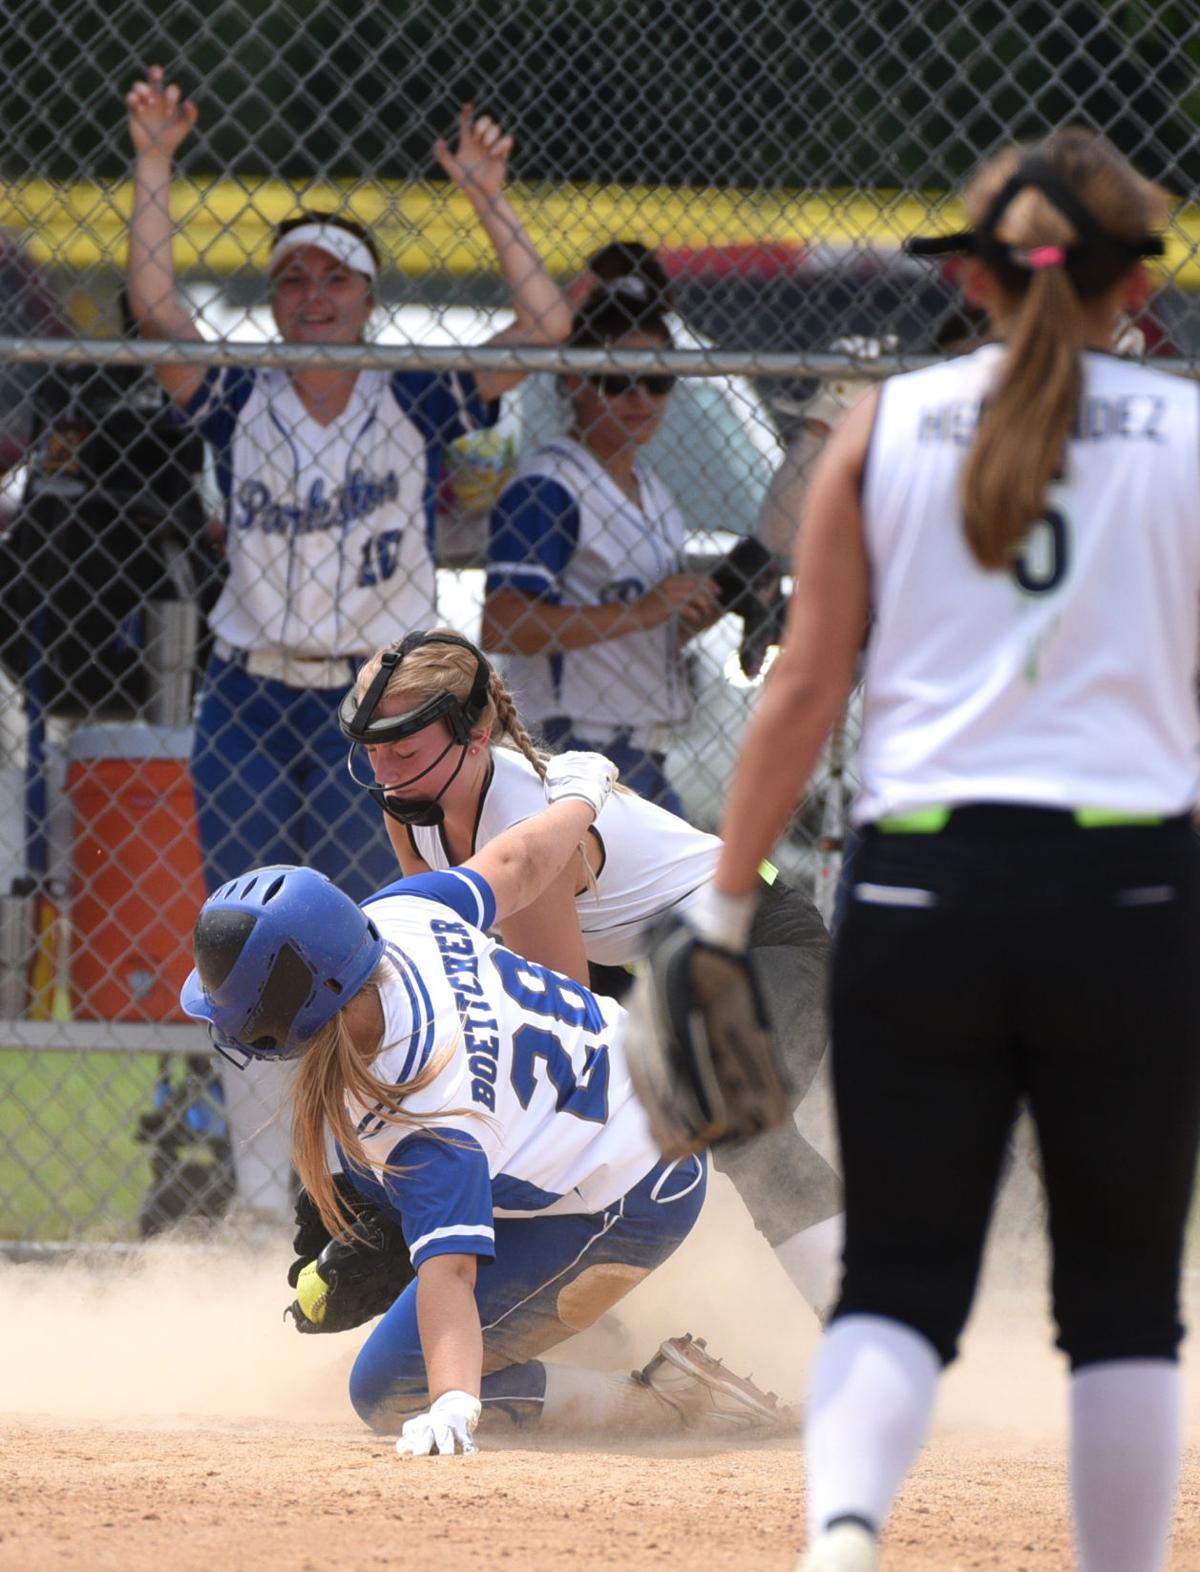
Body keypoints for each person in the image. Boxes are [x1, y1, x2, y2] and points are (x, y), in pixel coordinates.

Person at [660, 130, 1198, 1572]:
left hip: (918, 887)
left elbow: (801, 688)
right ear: (1122, 289)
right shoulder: (1186, 436)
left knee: (897, 1281)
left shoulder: (883, 433)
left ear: (969, 279)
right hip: (1126, 889)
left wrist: (720, 914)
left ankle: (841, 1540)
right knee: (1124, 1305)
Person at [125, 67, 572, 1223]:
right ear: (274, 299)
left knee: (363, 949)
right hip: (252, 698)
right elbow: (156, 309)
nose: (313, 294)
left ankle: (361, 1195)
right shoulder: (238, 392)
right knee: (244, 947)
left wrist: (487, 198)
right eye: (293, 277)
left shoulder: (415, 393)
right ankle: (270, 1211)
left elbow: (549, 326)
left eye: (335, 277)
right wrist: (157, 166)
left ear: (368, 296)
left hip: (376, 722)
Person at [180, 750, 794, 1450]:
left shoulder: (418, 1109)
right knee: (380, 1189)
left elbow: (452, 1272)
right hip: (622, 1087)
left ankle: (673, 1401)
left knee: (386, 1391)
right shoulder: (397, 918)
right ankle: (555, 1327)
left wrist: (448, 1403)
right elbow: (517, 866)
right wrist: (579, 796)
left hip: (641, 1185)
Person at [339, 627, 843, 1320]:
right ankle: (605, 1345)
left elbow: (563, 1013)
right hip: (643, 967)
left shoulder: (526, 820)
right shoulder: (415, 803)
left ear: (476, 734)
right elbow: (444, 957)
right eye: (371, 750)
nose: (386, 771)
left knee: (736, 1118)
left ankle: (868, 1330)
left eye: (404, 749)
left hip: (757, 939)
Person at [481, 284, 723, 814]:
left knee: (719, 880)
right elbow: (502, 623)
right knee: (688, 886)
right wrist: (646, 609)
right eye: (618, 380)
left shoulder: (652, 491)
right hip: (570, 745)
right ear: (574, 380)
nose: (641, 398)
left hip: (645, 748)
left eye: (657, 380)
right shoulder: (549, 486)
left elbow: (636, 623)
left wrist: (691, 611)